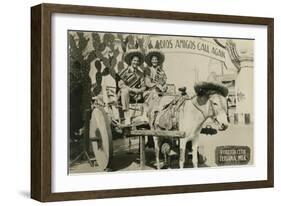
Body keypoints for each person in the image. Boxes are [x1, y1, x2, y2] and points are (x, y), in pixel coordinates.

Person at [117, 49, 146, 125]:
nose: (135, 62)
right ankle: (127, 117)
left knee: (148, 93)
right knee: (125, 91)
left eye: (137, 61)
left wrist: (138, 91)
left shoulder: (140, 74)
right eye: (134, 60)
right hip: (125, 93)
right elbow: (121, 85)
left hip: (135, 94)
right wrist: (132, 90)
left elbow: (144, 87)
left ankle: (145, 116)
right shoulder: (124, 71)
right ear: (131, 61)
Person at [143, 49, 167, 125]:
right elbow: (147, 83)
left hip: (160, 91)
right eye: (153, 59)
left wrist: (164, 86)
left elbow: (164, 82)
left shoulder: (161, 70)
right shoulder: (148, 70)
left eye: (156, 59)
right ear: (150, 61)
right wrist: (156, 85)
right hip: (149, 91)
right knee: (154, 95)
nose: (154, 61)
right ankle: (149, 116)